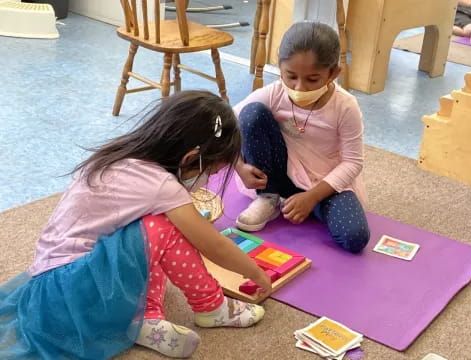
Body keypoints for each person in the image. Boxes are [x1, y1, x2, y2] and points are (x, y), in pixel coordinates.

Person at [0, 91, 271, 359]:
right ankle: (211, 307)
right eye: (210, 172)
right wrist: (256, 273)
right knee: (164, 227)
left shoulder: (123, 155)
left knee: (147, 233)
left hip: (52, 289)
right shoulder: (161, 186)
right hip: (74, 292)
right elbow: (213, 244)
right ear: (190, 158)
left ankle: (144, 317)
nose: (208, 180)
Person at [234, 22, 370, 254]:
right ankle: (270, 198)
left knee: (354, 238)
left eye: (313, 79)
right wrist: (239, 167)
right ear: (280, 68)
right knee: (252, 114)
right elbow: (223, 125)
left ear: (333, 74)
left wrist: (311, 197)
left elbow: (353, 162)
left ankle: (305, 204)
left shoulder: (345, 106)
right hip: (277, 175)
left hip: (322, 182)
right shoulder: (275, 92)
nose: (300, 87)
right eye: (291, 76)